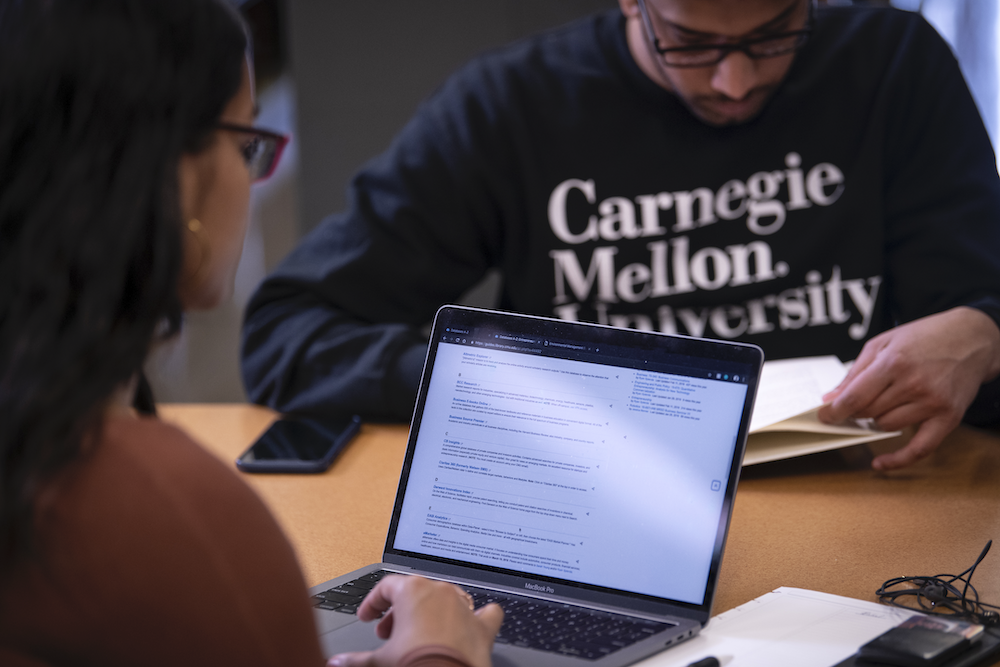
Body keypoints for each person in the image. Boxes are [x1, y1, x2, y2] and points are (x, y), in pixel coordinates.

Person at [241, 0, 1000, 472]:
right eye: (692, 43)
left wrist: (985, 331)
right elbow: (288, 333)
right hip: (600, 508)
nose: (735, 81)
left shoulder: (893, 65)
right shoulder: (512, 107)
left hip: (869, 498)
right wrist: (521, 382)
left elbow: (973, 309)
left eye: (775, 36)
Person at [0, 1, 501, 665]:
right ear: (172, 173)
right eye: (247, 144)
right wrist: (438, 651)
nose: (252, 175)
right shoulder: (161, 509)